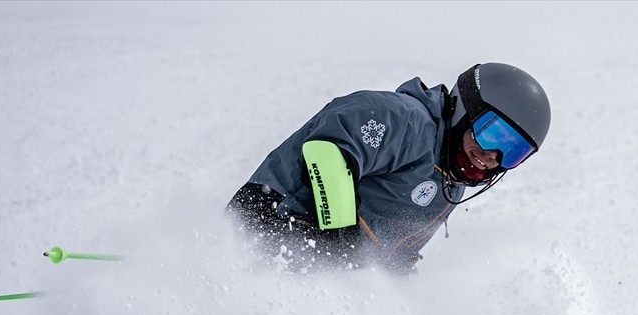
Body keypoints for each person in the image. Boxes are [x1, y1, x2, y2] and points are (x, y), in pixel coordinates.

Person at [226, 62, 551, 274]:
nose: (492, 155)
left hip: (316, 269)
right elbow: (325, 154)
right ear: (467, 109)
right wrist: (338, 240)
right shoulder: (403, 120)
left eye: (513, 151)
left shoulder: (451, 181)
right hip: (270, 220)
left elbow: (394, 252)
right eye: (494, 133)